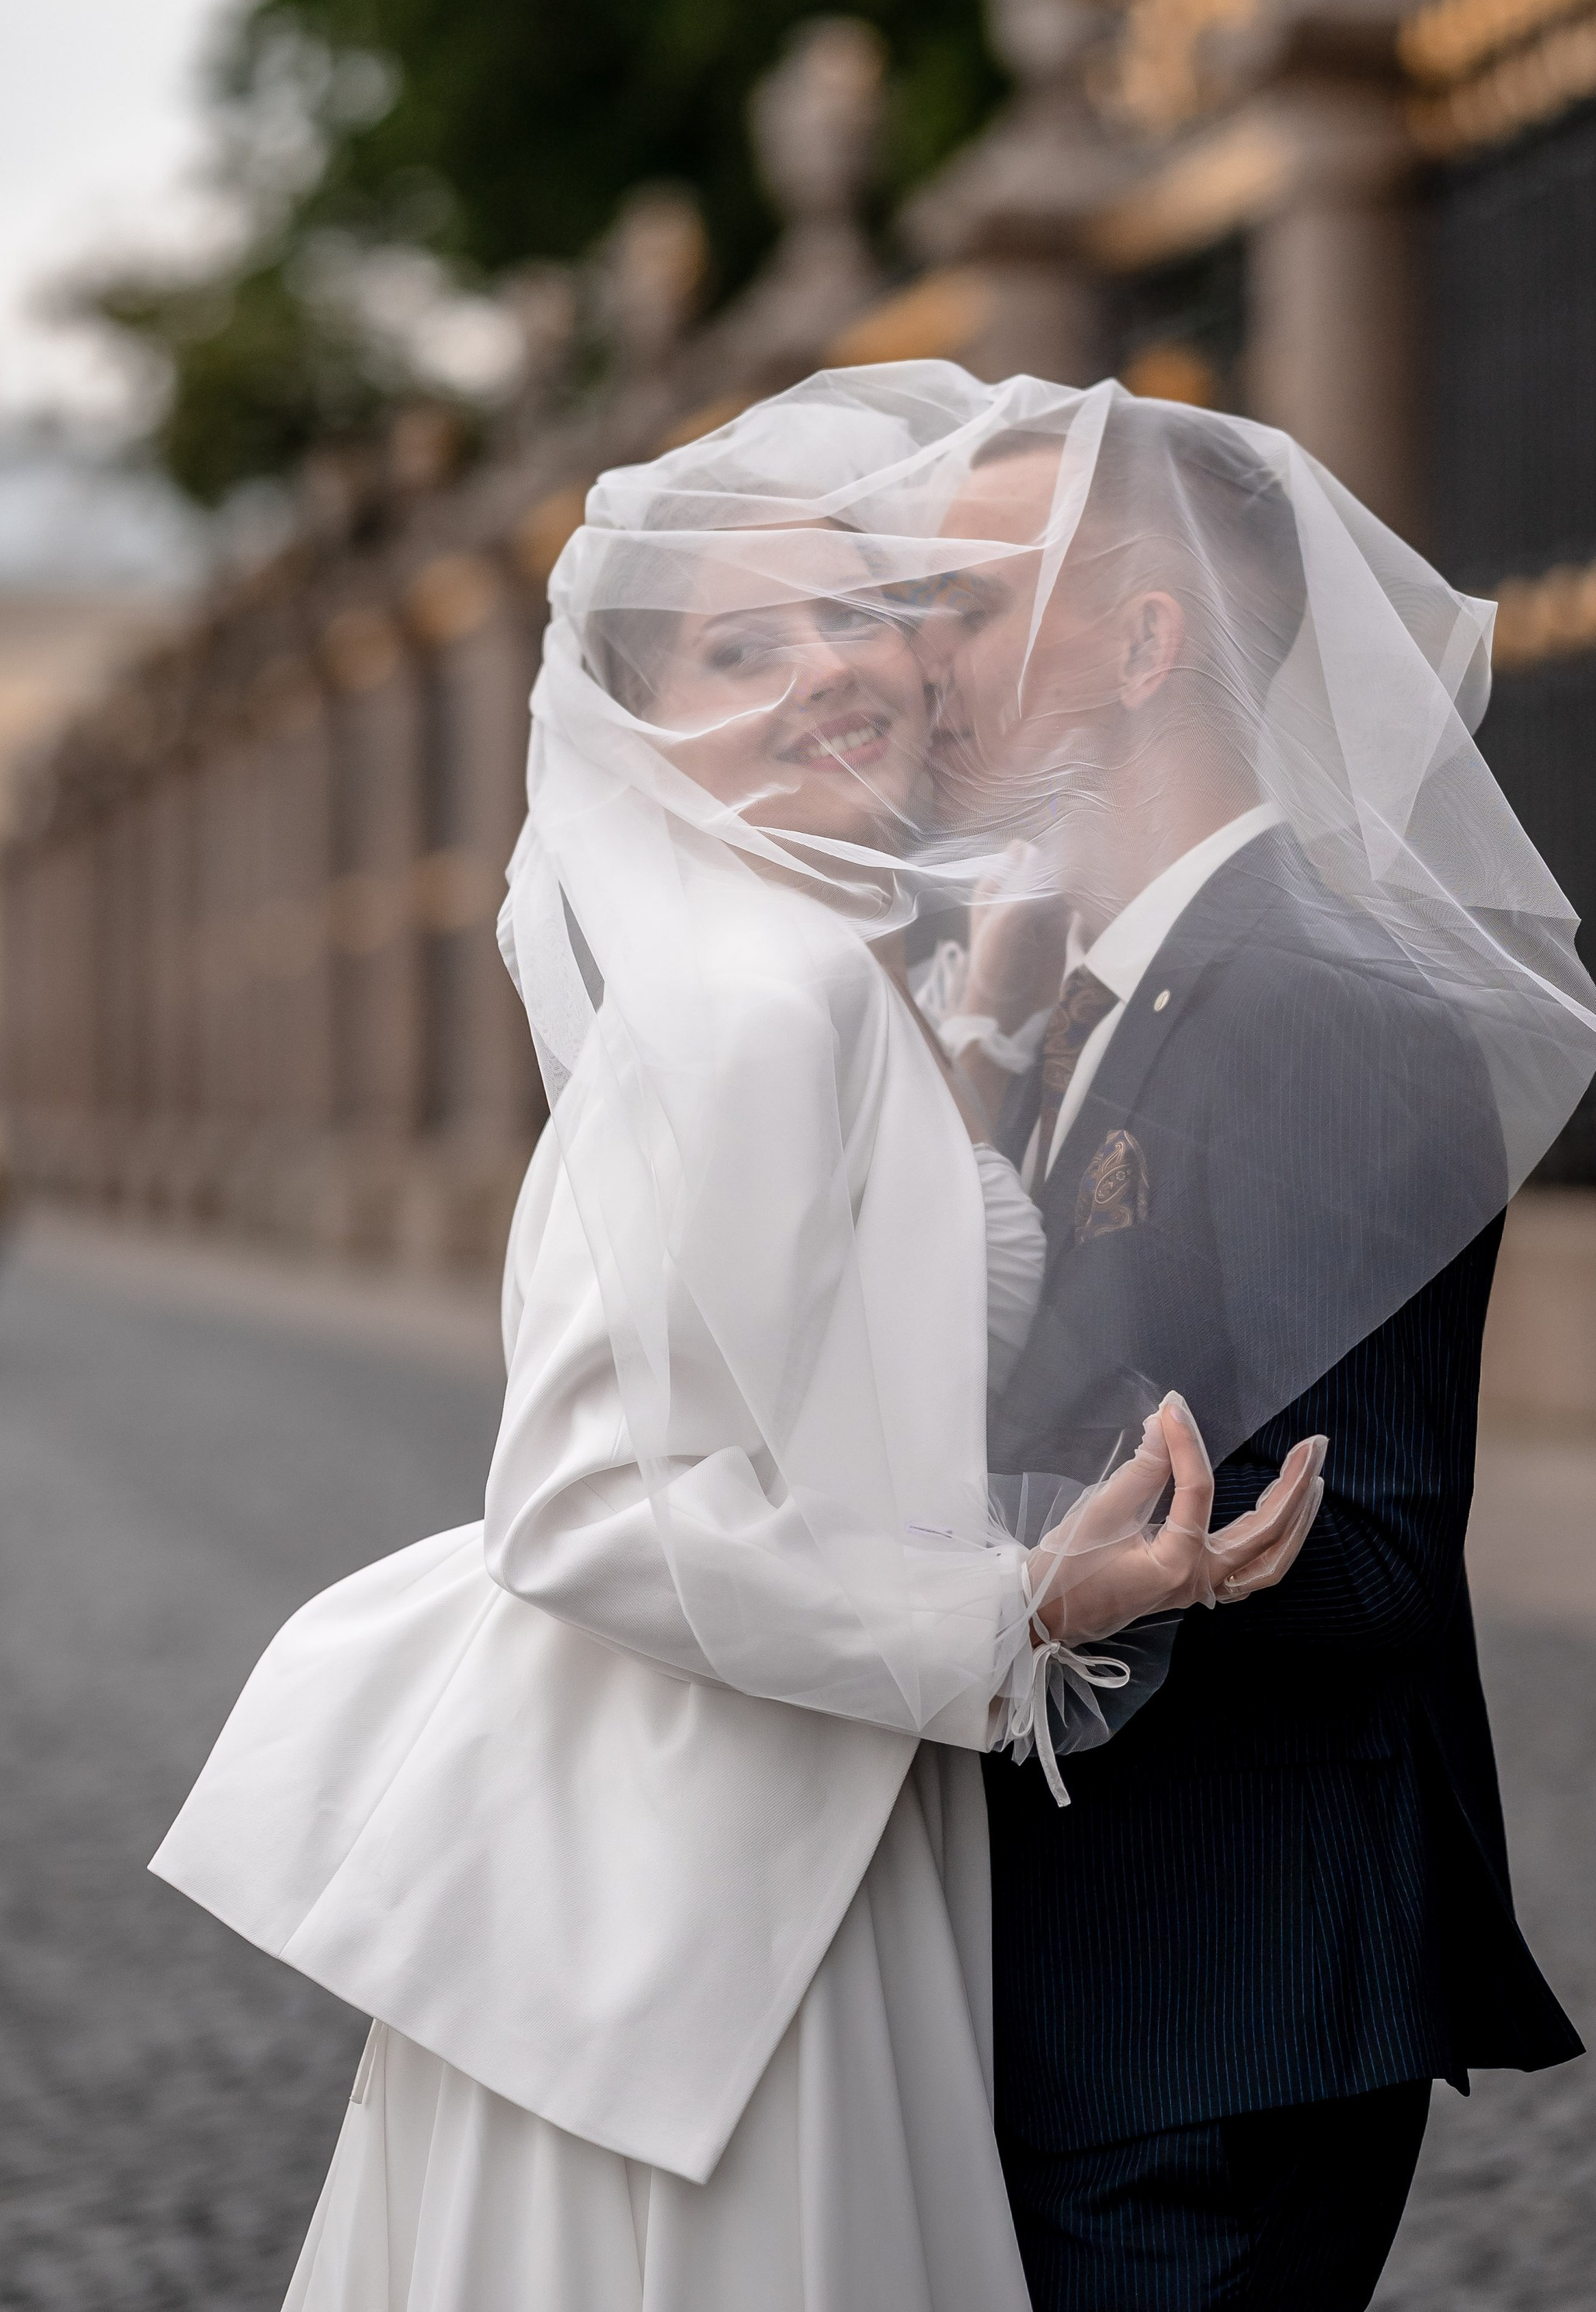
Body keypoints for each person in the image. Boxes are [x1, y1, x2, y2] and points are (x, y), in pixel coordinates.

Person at [151, 387, 1322, 2312]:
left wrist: (987, 1056)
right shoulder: (752, 1005)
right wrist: (1018, 1606)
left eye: (851, 615)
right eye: (741, 645)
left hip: (789, 1822)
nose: (830, 670)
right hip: (720, 1870)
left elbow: (862, 1343)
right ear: (643, 722)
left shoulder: (804, 979)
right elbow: (584, 1509)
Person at [924, 395, 1594, 2312]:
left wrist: (984, 1588)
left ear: (1143, 646)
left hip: (1210, 1999)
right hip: (1079, 1983)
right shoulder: (1069, 996)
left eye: (974, 604)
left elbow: (1364, 1545)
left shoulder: (1319, 1005)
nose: (919, 660)